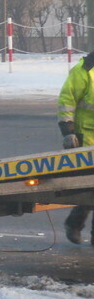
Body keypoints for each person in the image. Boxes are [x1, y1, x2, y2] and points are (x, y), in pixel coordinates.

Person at [58, 51, 94, 246]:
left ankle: (74, 224)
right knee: (90, 188)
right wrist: (68, 131)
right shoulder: (83, 71)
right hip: (86, 138)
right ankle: (74, 224)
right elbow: (66, 101)